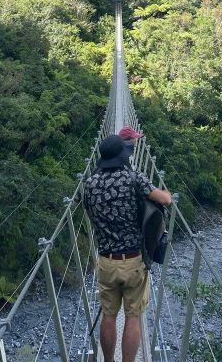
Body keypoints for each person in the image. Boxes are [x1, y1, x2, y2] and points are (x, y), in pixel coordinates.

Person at [84, 134, 171, 362]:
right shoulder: (134, 178)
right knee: (133, 317)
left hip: (106, 261)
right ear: (123, 156)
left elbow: (91, 215)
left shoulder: (90, 184)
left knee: (108, 315)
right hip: (134, 261)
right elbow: (164, 199)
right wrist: (167, 194)